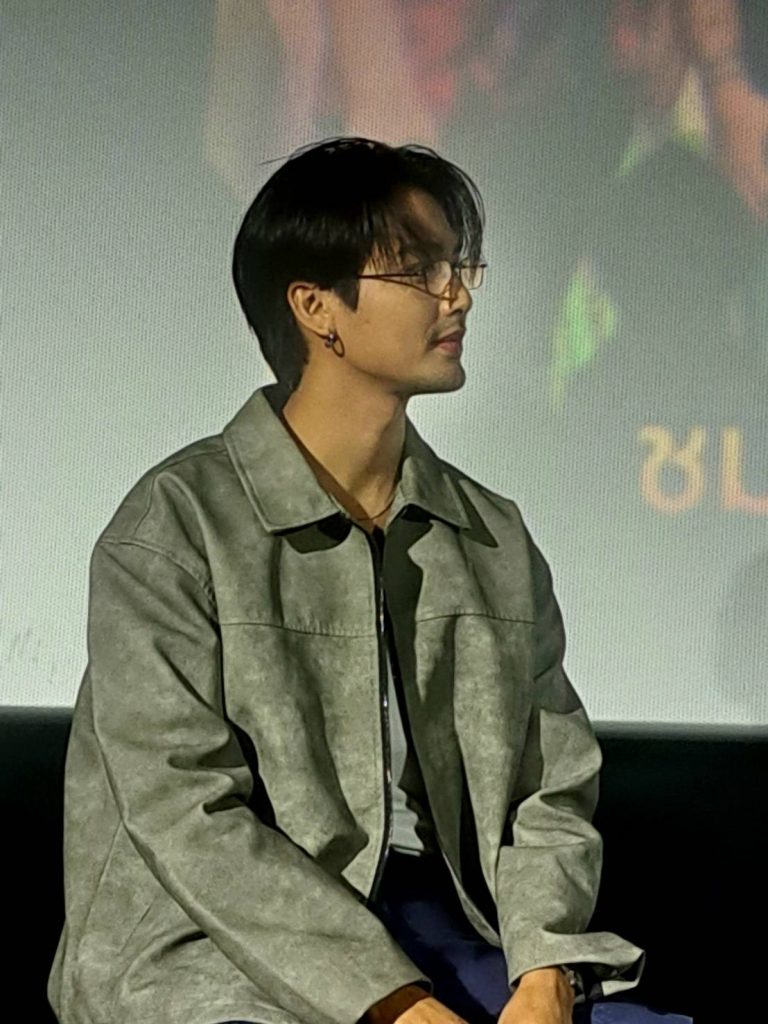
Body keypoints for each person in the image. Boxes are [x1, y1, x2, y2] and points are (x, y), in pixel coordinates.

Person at [49, 138, 690, 1024]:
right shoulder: (177, 526)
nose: (457, 294)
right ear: (316, 306)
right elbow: (185, 812)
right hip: (214, 949)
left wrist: (546, 971)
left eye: (458, 266)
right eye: (420, 270)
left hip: (448, 929)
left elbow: (549, 788)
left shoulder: (490, 537)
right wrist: (392, 1003)